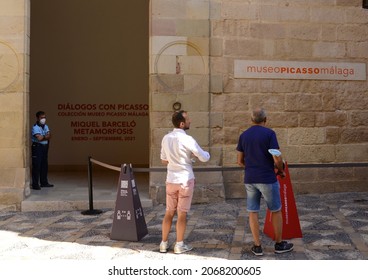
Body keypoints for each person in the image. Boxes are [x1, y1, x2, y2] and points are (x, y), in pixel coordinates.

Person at [236, 108, 293, 256]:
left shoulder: (244, 135)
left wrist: (251, 168)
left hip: (250, 178)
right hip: (267, 177)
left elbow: (239, 161)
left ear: (251, 120)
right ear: (265, 120)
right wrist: (280, 170)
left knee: (252, 211)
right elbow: (277, 157)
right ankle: (279, 244)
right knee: (275, 210)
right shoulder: (269, 134)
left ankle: (257, 246)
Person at [160, 110, 210, 254]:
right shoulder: (188, 139)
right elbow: (204, 157)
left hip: (171, 179)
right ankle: (179, 245)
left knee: (169, 212)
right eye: (188, 120)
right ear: (182, 124)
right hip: (185, 179)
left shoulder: (166, 138)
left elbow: (164, 160)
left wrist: (178, 159)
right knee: (182, 214)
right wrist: (198, 156)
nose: (190, 121)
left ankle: (163, 243)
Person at [31, 111, 54, 190]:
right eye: (41, 118)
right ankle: (35, 184)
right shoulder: (35, 127)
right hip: (37, 147)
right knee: (37, 165)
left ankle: (44, 182)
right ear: (37, 118)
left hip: (45, 147)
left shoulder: (45, 126)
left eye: (44, 117)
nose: (43, 119)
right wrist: (45, 136)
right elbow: (39, 138)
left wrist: (44, 136)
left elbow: (50, 135)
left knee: (44, 165)